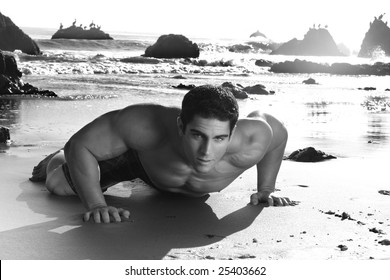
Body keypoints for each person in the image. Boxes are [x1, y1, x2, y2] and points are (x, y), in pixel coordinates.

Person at [30, 85, 296, 223]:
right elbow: (79, 144)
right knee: (58, 185)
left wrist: (266, 189)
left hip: (167, 173)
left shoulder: (255, 136)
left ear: (233, 131)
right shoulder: (145, 125)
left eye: (219, 138)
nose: (206, 151)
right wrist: (97, 205)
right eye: (197, 135)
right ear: (181, 125)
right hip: (143, 161)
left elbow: (278, 134)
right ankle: (54, 159)